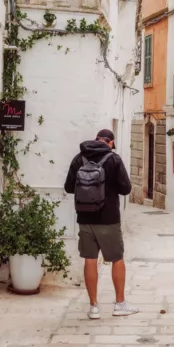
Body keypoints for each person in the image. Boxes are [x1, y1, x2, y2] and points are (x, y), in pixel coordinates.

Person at [64, 128, 138, 319]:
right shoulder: (113, 159)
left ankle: (93, 307)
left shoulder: (79, 158)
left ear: (96, 139)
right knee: (117, 259)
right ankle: (120, 304)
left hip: (85, 218)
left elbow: (68, 187)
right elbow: (126, 189)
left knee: (90, 259)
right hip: (109, 219)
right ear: (110, 142)